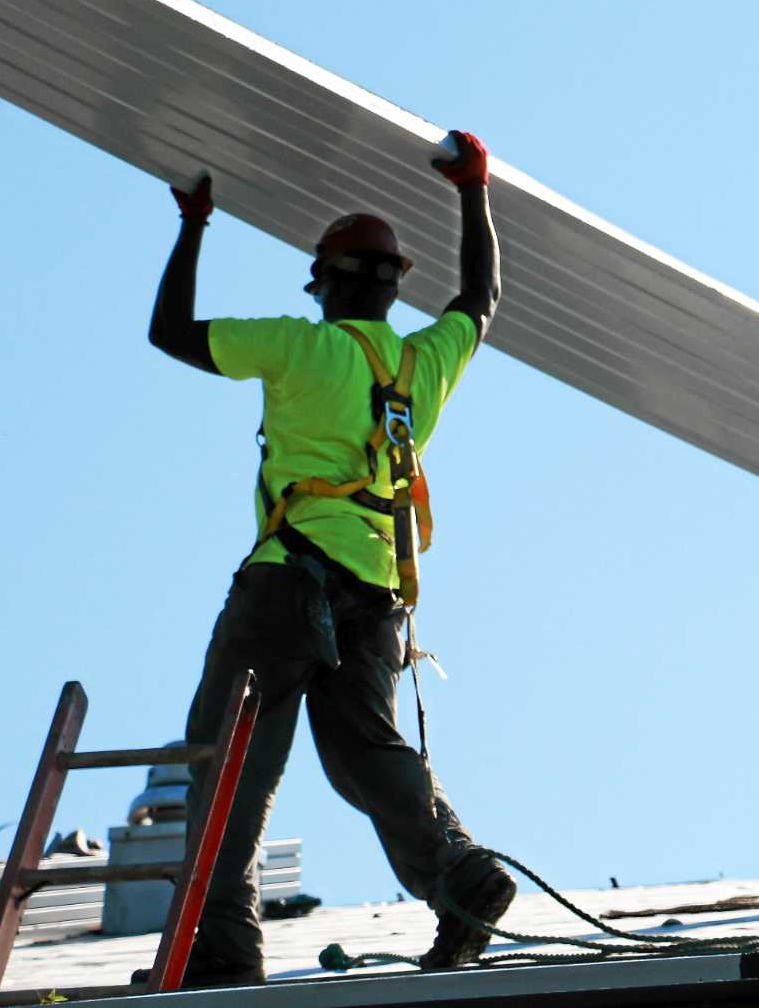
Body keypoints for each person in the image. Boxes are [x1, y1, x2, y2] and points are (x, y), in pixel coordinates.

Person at [144, 131, 510, 985]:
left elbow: (170, 333)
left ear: (325, 285)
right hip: (377, 593)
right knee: (366, 755)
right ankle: (458, 874)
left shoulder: (298, 347)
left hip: (287, 582)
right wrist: (473, 189)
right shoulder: (422, 363)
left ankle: (225, 951)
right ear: (390, 287)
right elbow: (482, 296)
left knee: (228, 761)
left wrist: (195, 224)